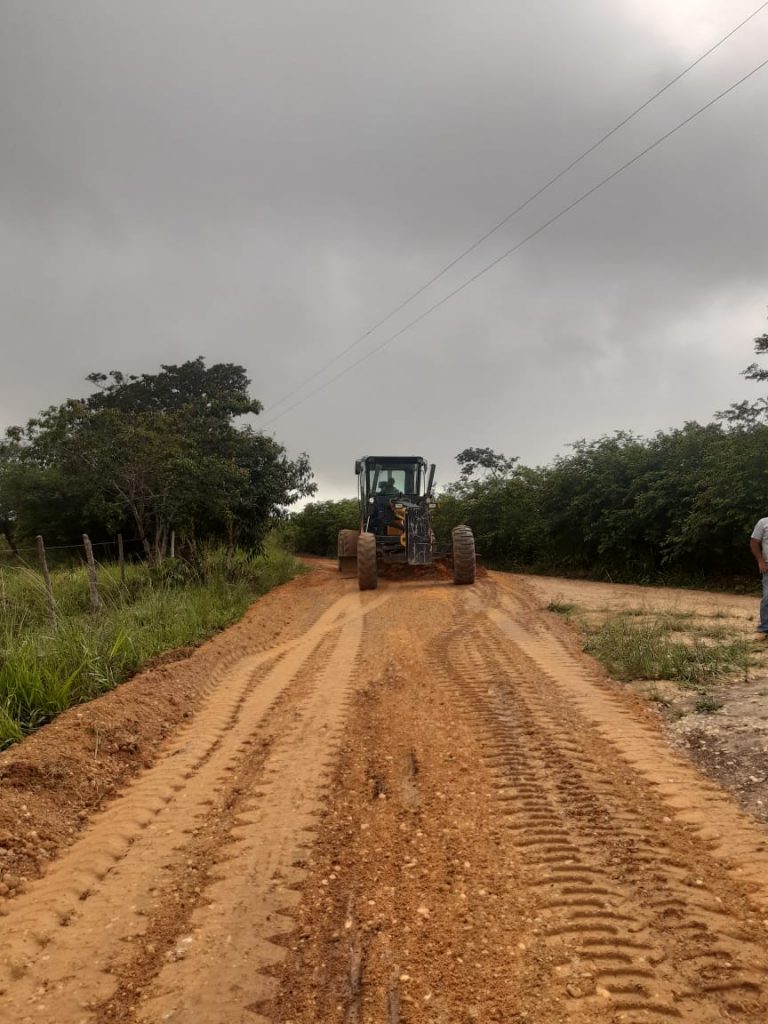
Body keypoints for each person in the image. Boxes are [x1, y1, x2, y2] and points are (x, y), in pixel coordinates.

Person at [749, 516, 768, 636]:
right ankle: (764, 628)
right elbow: (754, 542)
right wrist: (760, 561)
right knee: (767, 597)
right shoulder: (763, 522)